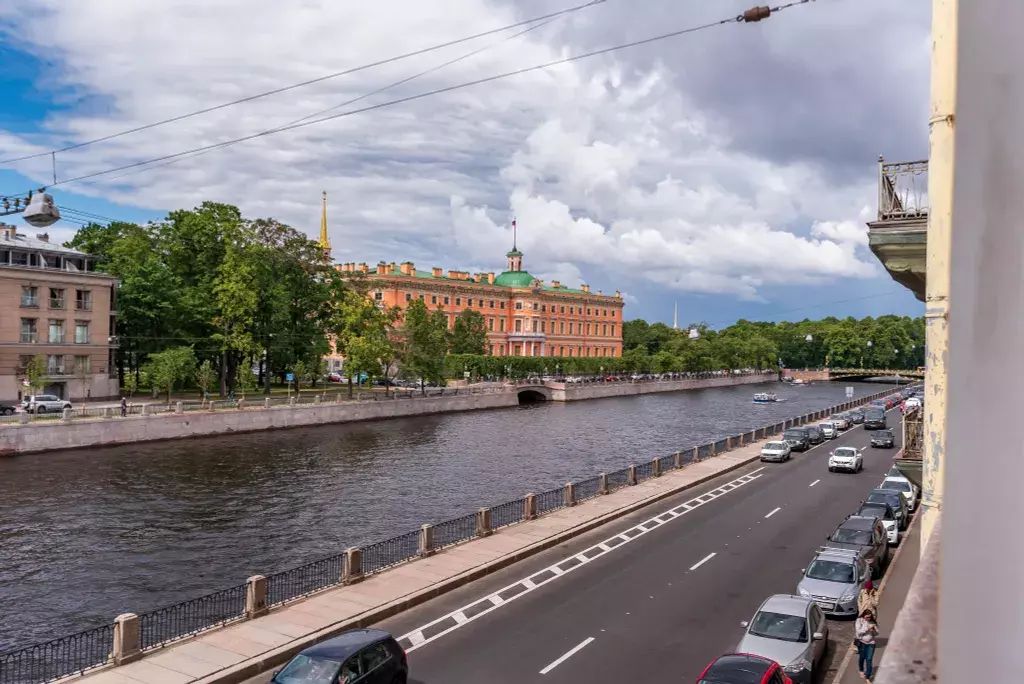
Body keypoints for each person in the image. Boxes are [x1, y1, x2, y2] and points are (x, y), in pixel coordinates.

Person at [855, 609, 879, 680]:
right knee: (862, 657)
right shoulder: (859, 621)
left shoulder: (872, 622)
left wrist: (873, 630)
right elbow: (858, 632)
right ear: (864, 616)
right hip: (862, 642)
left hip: (871, 643)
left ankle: (867, 676)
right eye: (867, 617)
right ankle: (861, 670)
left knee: (869, 659)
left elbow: (877, 633)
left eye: (870, 617)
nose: (868, 619)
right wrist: (867, 628)